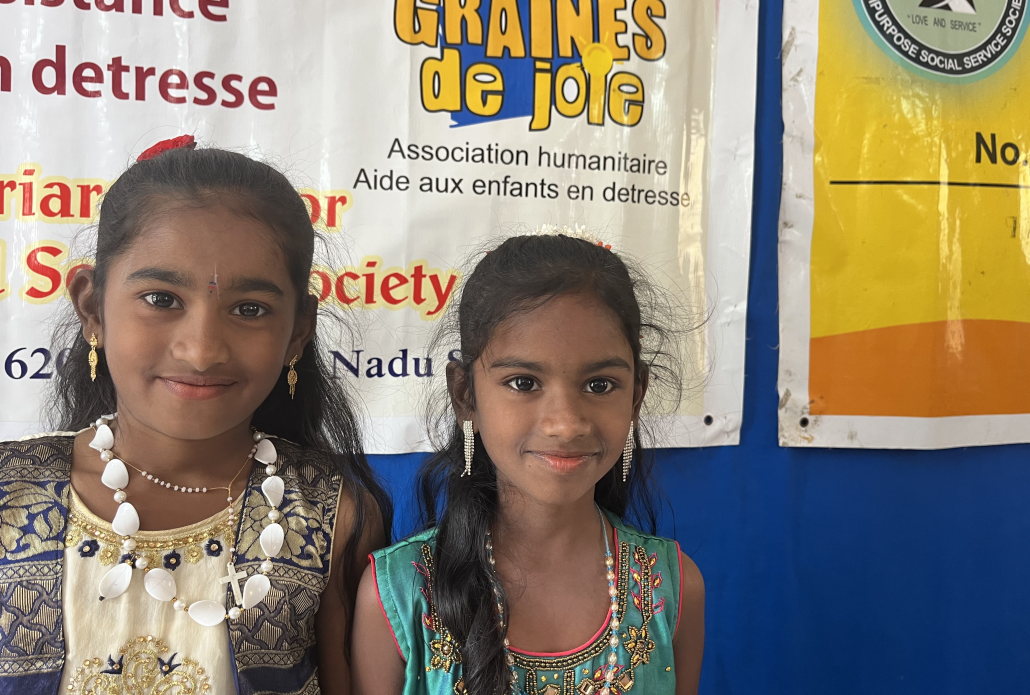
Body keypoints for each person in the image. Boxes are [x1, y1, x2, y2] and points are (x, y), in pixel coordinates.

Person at [0, 137, 392, 695]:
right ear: (92, 307)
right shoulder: (9, 492)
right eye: (161, 299)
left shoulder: (332, 517)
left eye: (250, 309)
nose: (202, 350)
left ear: (298, 331)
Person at [351, 231, 705, 695]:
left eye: (600, 385)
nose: (566, 424)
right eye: (523, 383)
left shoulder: (671, 588)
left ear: (636, 396)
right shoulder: (398, 595)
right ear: (465, 396)